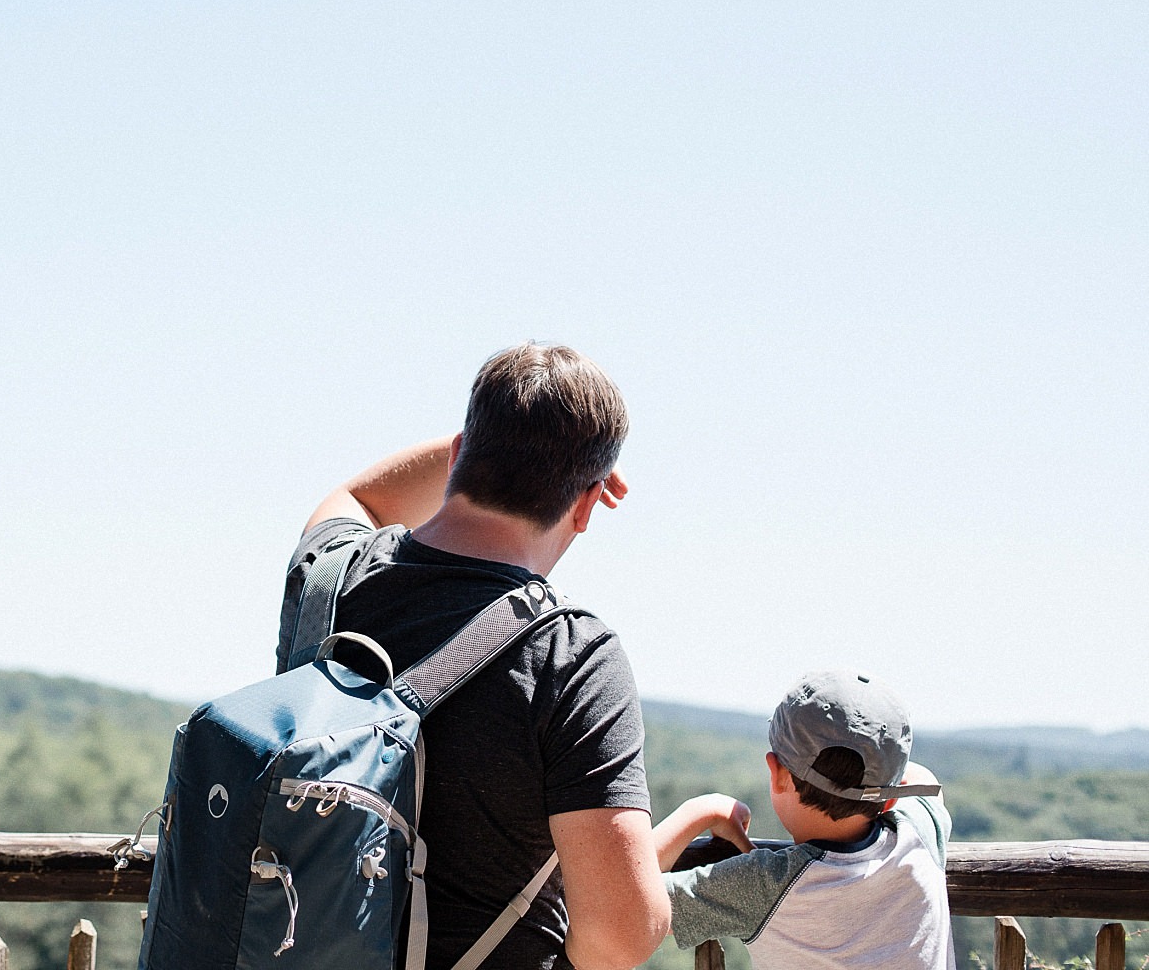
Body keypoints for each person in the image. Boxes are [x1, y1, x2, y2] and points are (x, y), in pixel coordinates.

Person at [281, 342, 669, 970]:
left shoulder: (330, 576)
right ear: (588, 503)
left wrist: (505, 433)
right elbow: (618, 939)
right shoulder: (572, 656)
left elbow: (358, 498)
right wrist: (564, 455)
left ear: (460, 453)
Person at [653, 671, 953, 970]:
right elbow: (921, 778)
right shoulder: (920, 834)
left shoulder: (764, 883)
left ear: (777, 773)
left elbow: (624, 896)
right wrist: (877, 774)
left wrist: (701, 810)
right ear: (891, 800)